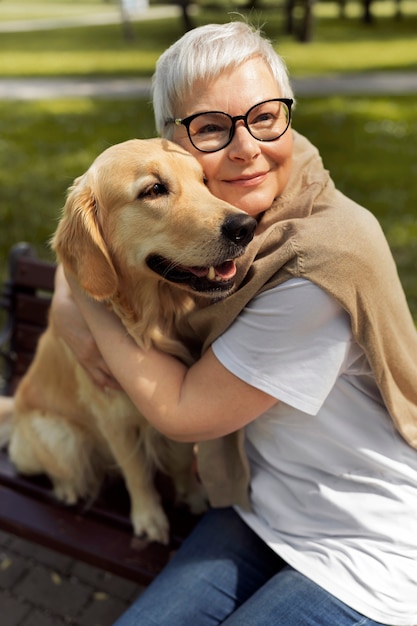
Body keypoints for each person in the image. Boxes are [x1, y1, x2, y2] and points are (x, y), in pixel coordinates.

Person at [52, 21, 417, 626]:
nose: (246, 147)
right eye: (213, 128)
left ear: (287, 117)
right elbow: (104, 247)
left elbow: (182, 413)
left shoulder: (317, 261)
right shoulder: (225, 232)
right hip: (259, 504)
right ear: (173, 142)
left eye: (265, 116)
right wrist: (76, 286)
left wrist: (82, 301)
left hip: (369, 547)